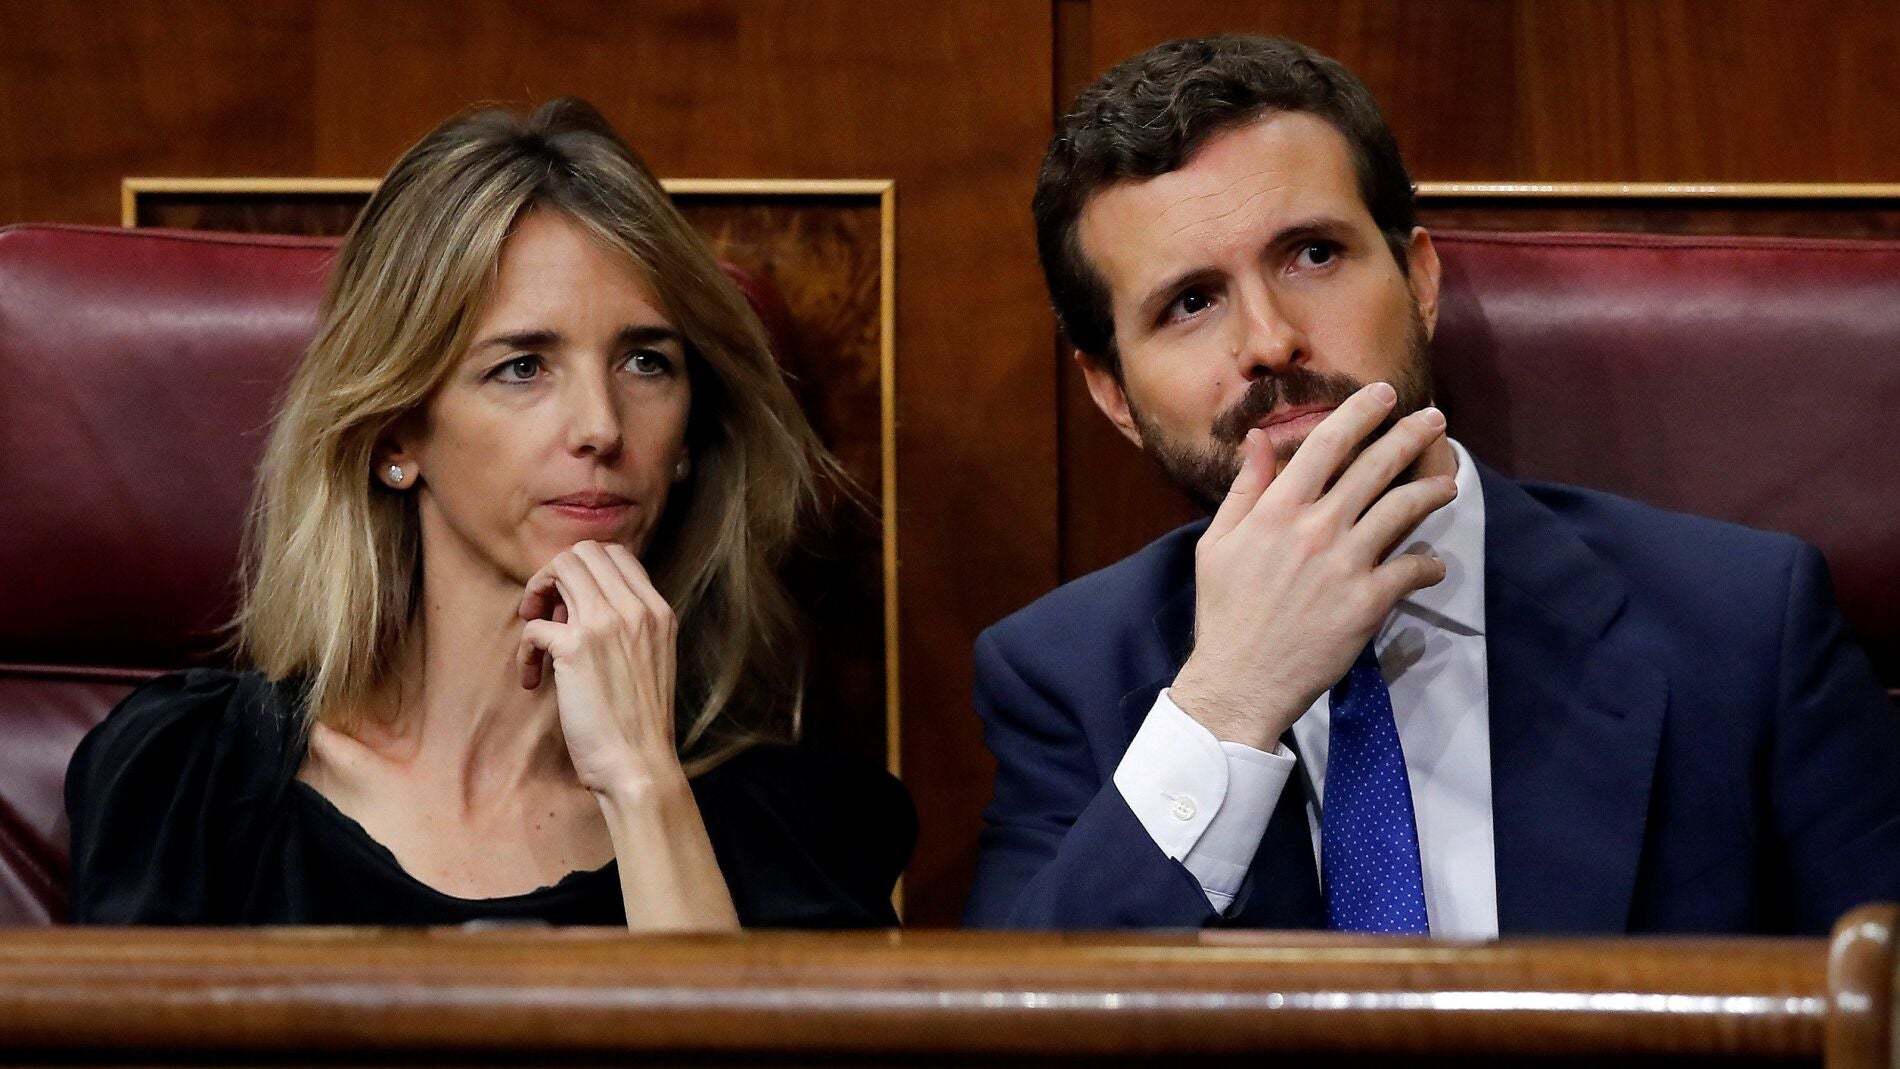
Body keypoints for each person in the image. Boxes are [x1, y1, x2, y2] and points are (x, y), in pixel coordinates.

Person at [964, 35, 1900, 936]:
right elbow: (1009, 1017)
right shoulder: (1062, 677)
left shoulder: (1743, 628)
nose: (1270, 340)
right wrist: (1227, 703)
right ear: (1114, 394)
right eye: (1191, 302)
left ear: (1418, 279)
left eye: (1313, 254)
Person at [66, 98, 913, 928]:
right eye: (522, 367)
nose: (602, 426)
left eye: (647, 362)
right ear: (396, 433)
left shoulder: (791, 830)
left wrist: (641, 783)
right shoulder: (187, 780)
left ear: (691, 436)